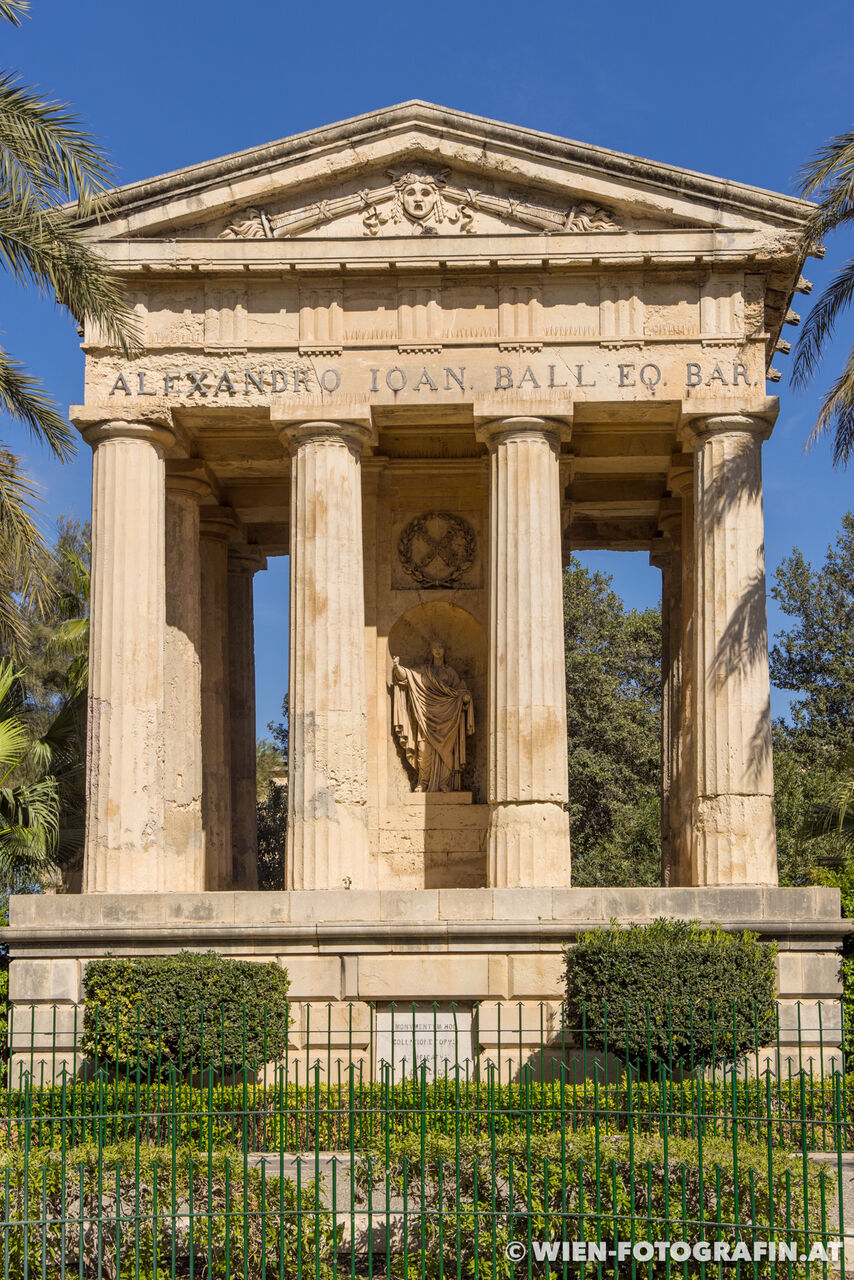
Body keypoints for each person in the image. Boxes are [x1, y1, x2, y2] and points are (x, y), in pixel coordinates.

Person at [391, 643, 474, 792]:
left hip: (448, 718)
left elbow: (460, 690)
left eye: (440, 647)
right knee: (423, 750)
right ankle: (423, 782)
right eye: (434, 647)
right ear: (431, 650)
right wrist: (397, 668)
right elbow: (409, 676)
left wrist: (465, 697)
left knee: (447, 752)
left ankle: (444, 782)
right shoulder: (425, 671)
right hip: (426, 717)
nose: (437, 650)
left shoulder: (450, 673)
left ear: (444, 650)